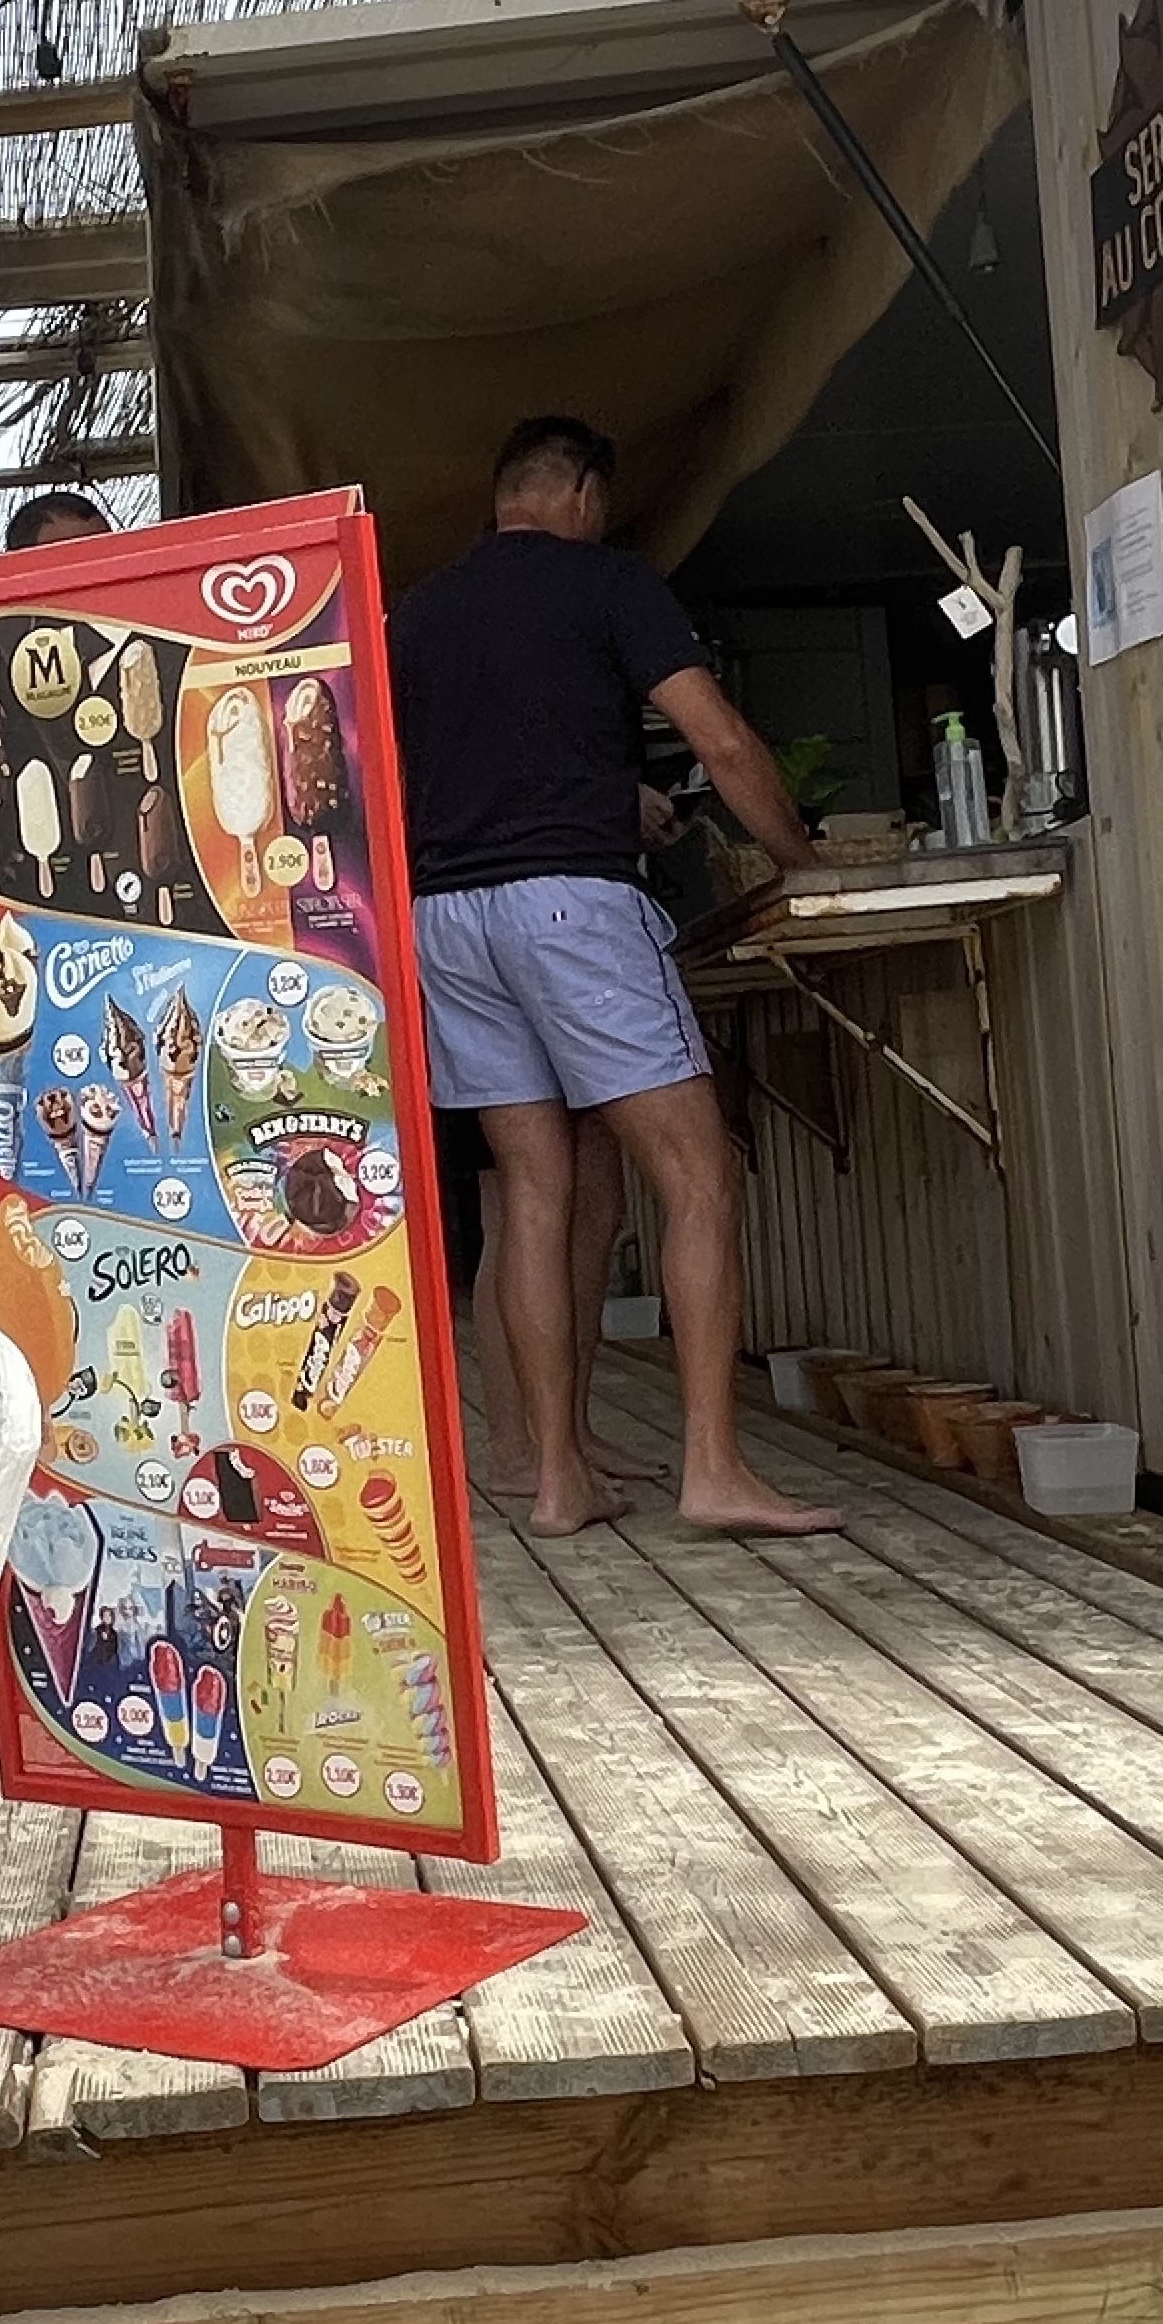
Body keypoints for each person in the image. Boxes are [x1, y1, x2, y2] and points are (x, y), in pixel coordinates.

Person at [389, 413, 839, 1542]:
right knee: (699, 1175)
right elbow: (720, 742)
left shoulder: (418, 613)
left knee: (532, 1193)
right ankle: (714, 1468)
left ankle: (556, 1479)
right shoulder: (608, 583)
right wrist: (801, 862)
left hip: (448, 921)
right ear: (584, 493)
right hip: (572, 911)